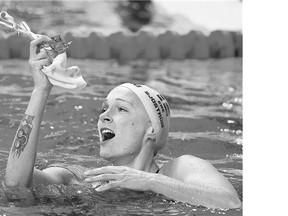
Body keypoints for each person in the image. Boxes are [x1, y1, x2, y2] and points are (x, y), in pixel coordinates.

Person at [5, 36, 241, 209]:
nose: (103, 116)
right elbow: (16, 185)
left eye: (121, 109)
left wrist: (146, 181)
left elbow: (229, 203)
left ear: (151, 129)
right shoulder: (81, 180)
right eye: (104, 108)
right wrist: (40, 90)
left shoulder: (179, 170)